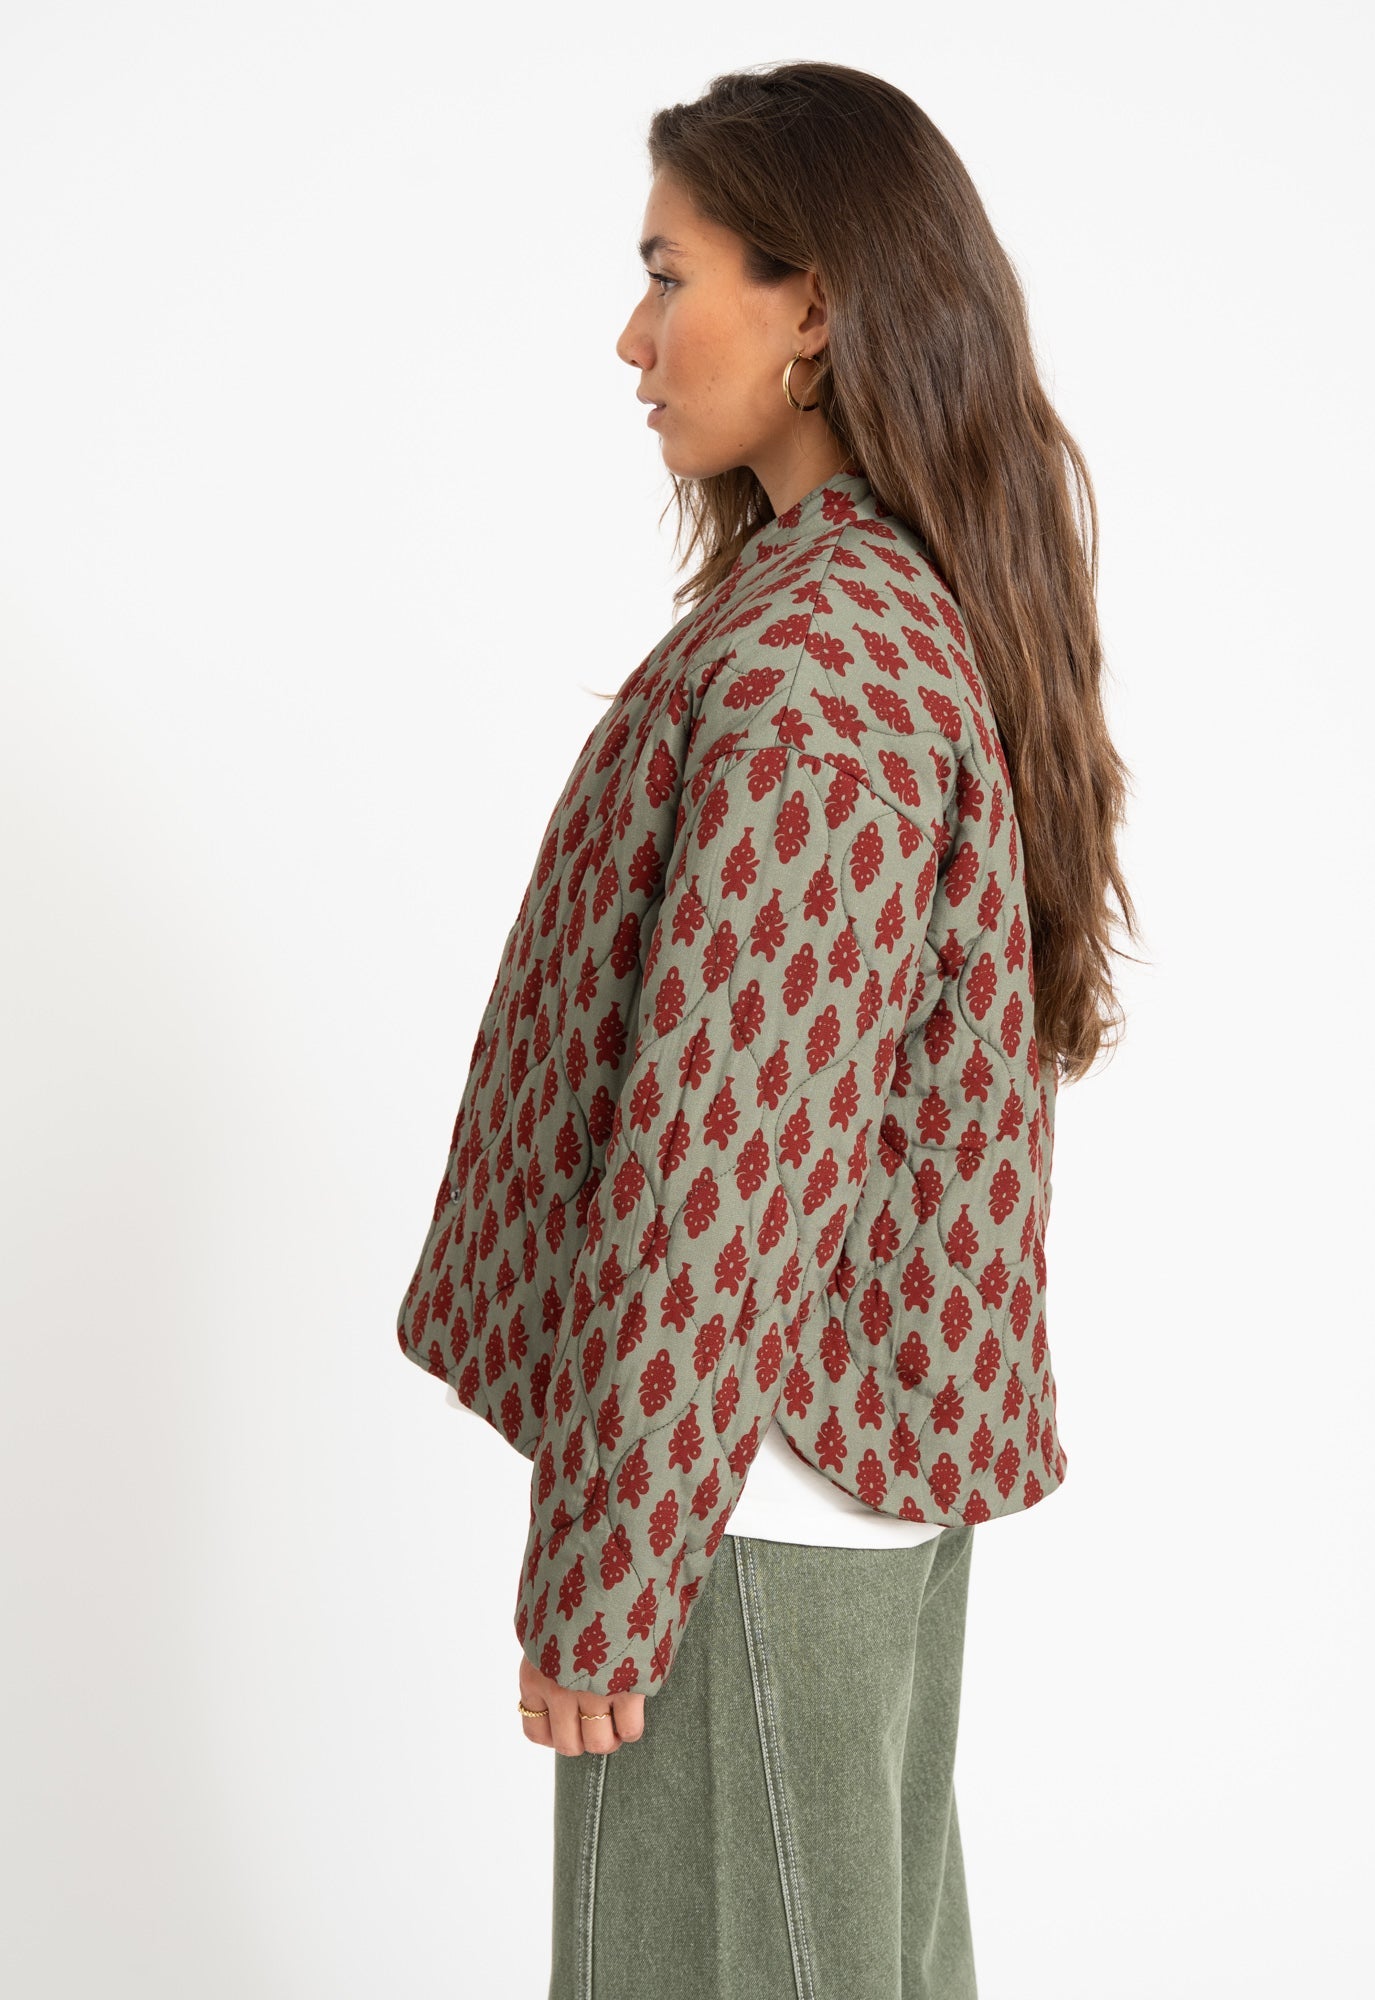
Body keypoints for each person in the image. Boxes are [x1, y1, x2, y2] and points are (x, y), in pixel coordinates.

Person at [394, 59, 1136, 2000]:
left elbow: (725, 1163)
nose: (631, 336)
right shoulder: (876, 607)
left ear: (813, 307)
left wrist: (606, 1569)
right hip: (794, 1483)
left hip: (739, 1499)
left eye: (670, 274)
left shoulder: (818, 657)